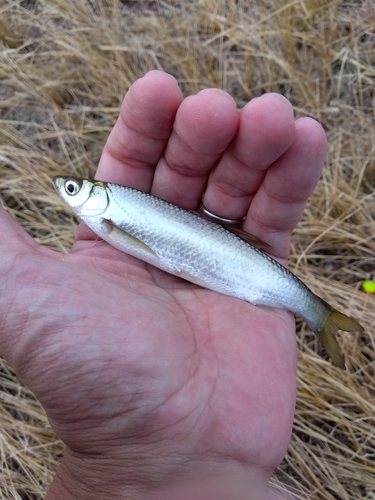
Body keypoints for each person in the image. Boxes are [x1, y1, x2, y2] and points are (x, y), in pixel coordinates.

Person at [0, 70, 327, 499]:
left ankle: (320, 313)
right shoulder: (105, 212)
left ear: (98, 197)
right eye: (71, 189)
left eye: (75, 189)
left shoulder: (109, 209)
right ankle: (321, 314)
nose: (68, 193)